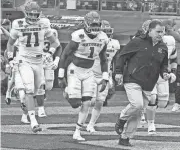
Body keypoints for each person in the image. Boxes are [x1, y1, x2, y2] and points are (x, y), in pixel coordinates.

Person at [6, 1, 60, 133]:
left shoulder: (44, 23)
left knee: (38, 91)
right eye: (31, 14)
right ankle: (33, 121)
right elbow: (10, 44)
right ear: (26, 13)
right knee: (29, 90)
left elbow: (55, 43)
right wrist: (10, 59)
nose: (33, 17)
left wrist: (50, 53)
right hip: (24, 61)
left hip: (39, 62)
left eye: (36, 15)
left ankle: (26, 111)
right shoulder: (18, 24)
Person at [114, 20, 169, 146]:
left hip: (149, 83)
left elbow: (163, 65)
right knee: (137, 105)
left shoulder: (163, 47)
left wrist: (165, 73)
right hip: (132, 78)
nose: (160, 34)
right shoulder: (137, 42)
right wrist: (118, 72)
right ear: (149, 31)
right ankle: (122, 119)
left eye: (162, 32)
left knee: (137, 112)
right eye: (158, 31)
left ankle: (125, 138)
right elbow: (122, 56)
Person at [58, 11, 109, 141]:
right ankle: (67, 92)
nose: (95, 28)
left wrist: (105, 77)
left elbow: (103, 59)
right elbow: (64, 55)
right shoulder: (78, 36)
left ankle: (77, 131)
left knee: (87, 103)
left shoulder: (103, 38)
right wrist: (61, 75)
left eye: (97, 25)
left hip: (89, 72)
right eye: (93, 24)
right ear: (86, 24)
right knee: (75, 103)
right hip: (75, 70)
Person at [138, 20, 177, 134]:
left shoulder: (169, 41)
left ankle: (144, 109)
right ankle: (151, 124)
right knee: (152, 98)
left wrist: (173, 71)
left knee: (163, 102)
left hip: (162, 74)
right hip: (148, 74)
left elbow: (174, 58)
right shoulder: (141, 42)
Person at [86, 20, 120, 133]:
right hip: (90, 72)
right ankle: (81, 121)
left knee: (100, 101)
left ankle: (91, 124)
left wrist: (115, 74)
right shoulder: (93, 41)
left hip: (104, 75)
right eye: (105, 31)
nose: (107, 34)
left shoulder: (115, 44)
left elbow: (115, 60)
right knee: (90, 101)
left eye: (108, 31)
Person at [36, 28, 62, 117]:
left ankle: (40, 94)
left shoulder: (52, 32)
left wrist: (56, 60)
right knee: (40, 84)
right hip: (36, 61)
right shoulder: (33, 31)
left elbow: (58, 47)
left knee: (49, 85)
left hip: (48, 61)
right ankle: (41, 109)